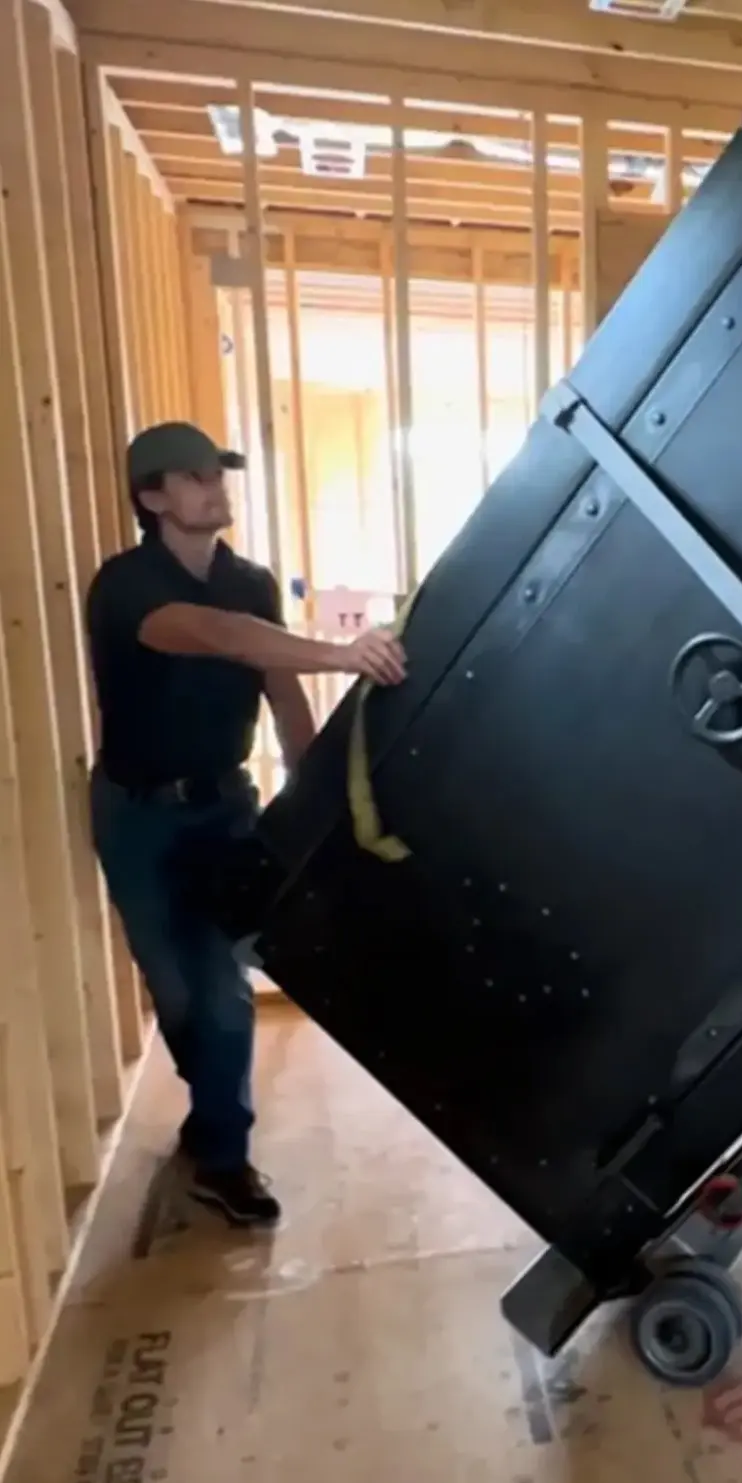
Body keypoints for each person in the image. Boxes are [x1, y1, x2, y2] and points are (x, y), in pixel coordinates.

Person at [85, 421, 408, 1228]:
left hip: (223, 808)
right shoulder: (125, 585)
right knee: (177, 992)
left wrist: (315, 799)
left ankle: (223, 1158)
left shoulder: (251, 582)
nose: (213, 487)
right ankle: (209, 1120)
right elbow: (213, 636)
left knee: (223, 994)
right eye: (192, 478)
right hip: (136, 817)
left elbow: (278, 688)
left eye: (218, 474)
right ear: (152, 497)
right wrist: (340, 653)